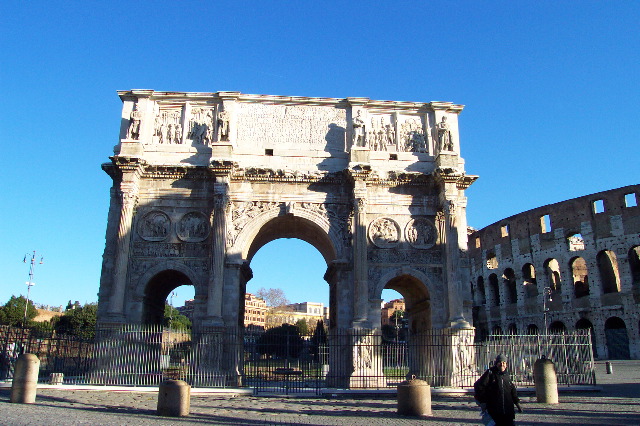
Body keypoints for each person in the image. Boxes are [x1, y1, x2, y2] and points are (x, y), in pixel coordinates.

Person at [474, 354, 522, 426]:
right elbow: (479, 386)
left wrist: (517, 403)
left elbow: (512, 389)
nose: (502, 364)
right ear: (496, 363)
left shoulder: (506, 375)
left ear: (506, 365)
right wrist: (483, 401)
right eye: (500, 362)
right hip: (494, 411)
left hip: (508, 411)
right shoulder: (490, 373)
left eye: (504, 362)